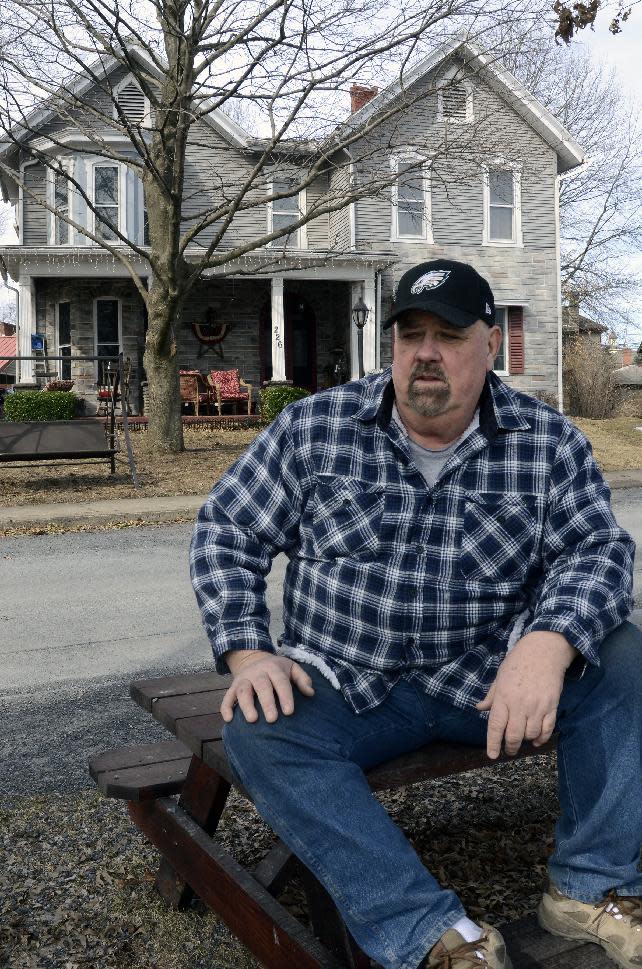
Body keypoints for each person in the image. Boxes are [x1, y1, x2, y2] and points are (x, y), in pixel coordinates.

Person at [190, 258, 642, 969]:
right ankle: (428, 930)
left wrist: (549, 642)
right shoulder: (316, 429)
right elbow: (227, 530)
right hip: (348, 681)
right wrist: (248, 650)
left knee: (621, 656)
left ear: (490, 346)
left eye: (449, 334)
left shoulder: (546, 442)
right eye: (410, 334)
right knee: (256, 722)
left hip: (487, 682)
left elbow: (599, 552)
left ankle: (591, 886)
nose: (425, 352)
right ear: (392, 344)